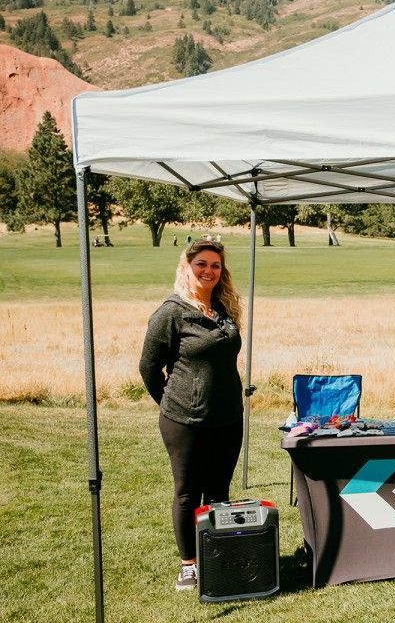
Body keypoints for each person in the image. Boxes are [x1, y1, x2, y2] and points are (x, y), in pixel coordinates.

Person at [139, 239, 245, 591]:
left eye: (215, 265)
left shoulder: (223, 307)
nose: (209, 271)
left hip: (228, 418)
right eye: (201, 264)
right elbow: (149, 368)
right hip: (184, 421)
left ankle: (214, 555)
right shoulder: (171, 313)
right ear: (187, 267)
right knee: (187, 492)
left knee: (219, 491)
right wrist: (173, 403)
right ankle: (189, 565)